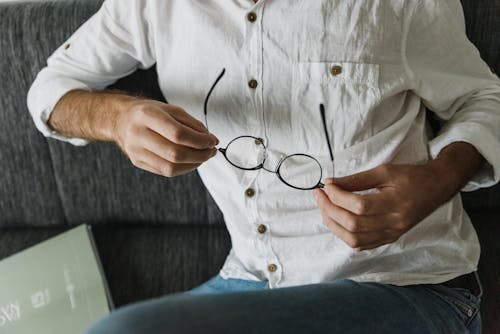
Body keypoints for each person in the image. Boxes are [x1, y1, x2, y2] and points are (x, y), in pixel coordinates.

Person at [27, 0, 500, 333]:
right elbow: (49, 91)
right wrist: (119, 117)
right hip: (249, 284)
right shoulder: (152, 5)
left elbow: (485, 98)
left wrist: (437, 181)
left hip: (407, 286)